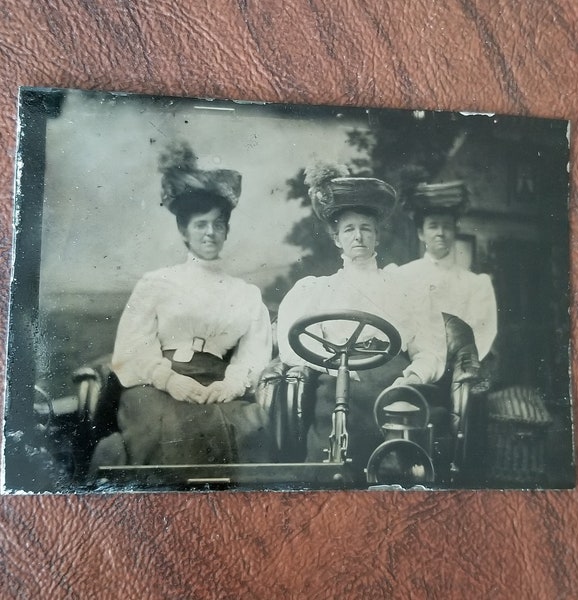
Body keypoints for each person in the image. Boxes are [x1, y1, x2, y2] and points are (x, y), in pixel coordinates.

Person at [90, 141, 273, 471]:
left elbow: (254, 353)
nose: (210, 233)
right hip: (154, 386)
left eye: (218, 224)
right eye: (201, 224)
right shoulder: (156, 283)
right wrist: (169, 380)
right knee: (169, 426)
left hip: (217, 387)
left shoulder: (245, 293)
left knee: (242, 426)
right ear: (184, 231)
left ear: (227, 231)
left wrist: (231, 385)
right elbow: (132, 346)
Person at [277, 163, 446, 478]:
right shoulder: (319, 289)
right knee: (329, 452)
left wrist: (412, 377)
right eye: (349, 229)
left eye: (366, 228)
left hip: (394, 385)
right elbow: (291, 344)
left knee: (405, 454)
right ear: (336, 237)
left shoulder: (403, 287)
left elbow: (431, 349)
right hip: (338, 383)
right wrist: (329, 364)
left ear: (377, 235)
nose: (358, 236)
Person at [385, 181, 497, 362]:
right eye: (433, 226)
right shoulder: (402, 276)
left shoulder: (474, 284)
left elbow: (481, 335)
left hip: (458, 369)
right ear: (421, 233)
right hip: (410, 367)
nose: (440, 232)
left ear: (455, 231)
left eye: (447, 226)